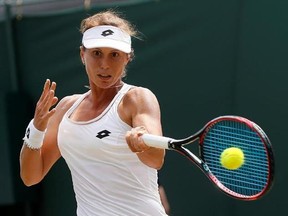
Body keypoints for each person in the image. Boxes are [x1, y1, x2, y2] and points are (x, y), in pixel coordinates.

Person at [20, 10, 167, 216]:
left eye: (114, 55)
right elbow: (30, 176)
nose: (104, 64)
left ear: (127, 58)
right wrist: (36, 128)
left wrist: (141, 144)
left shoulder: (137, 98)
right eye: (96, 53)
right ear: (83, 54)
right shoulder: (65, 108)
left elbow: (156, 159)